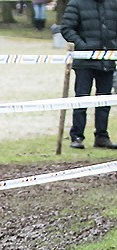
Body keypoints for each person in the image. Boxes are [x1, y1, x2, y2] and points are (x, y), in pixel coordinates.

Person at [61, 0, 117, 149]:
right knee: (81, 99)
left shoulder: (113, 3)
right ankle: (77, 136)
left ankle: (102, 136)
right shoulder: (77, 3)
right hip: (84, 61)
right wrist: (83, 46)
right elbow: (67, 28)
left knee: (104, 101)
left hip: (107, 58)